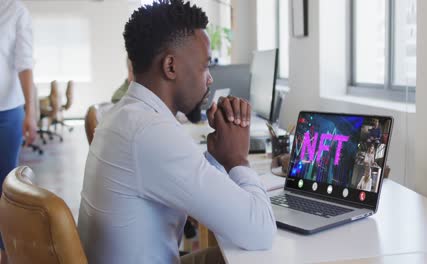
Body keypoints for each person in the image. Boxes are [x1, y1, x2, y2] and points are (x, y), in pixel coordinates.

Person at [77, 1, 276, 263]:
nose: (210, 79)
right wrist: (238, 159)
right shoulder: (150, 132)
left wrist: (216, 156)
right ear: (170, 66)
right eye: (205, 66)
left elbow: (190, 184)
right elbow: (261, 232)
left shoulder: (126, 115)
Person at [0, 0, 37, 263]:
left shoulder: (15, 11)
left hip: (7, 112)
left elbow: (24, 64)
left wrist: (31, 112)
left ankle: (4, 252)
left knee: (4, 187)